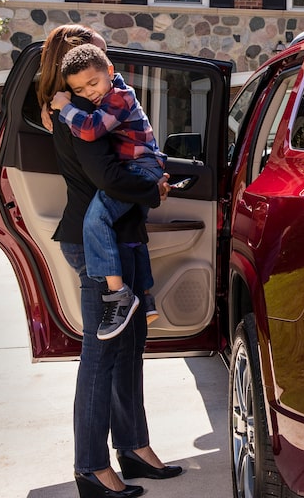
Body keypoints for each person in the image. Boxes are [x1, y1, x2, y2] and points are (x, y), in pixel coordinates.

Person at [37, 25, 182, 498]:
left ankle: (134, 448)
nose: (101, 85)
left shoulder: (93, 105)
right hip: (96, 244)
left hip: (123, 238)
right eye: (92, 67)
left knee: (129, 348)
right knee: (101, 356)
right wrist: (153, 189)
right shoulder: (77, 114)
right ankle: (91, 467)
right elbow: (108, 178)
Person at [50, 44, 165, 338]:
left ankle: (120, 295)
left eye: (93, 83)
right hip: (140, 168)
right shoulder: (109, 95)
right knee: (135, 234)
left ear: (110, 72)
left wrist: (64, 107)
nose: (89, 92)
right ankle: (145, 297)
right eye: (79, 89)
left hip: (140, 167)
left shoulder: (120, 97)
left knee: (96, 220)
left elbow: (90, 129)